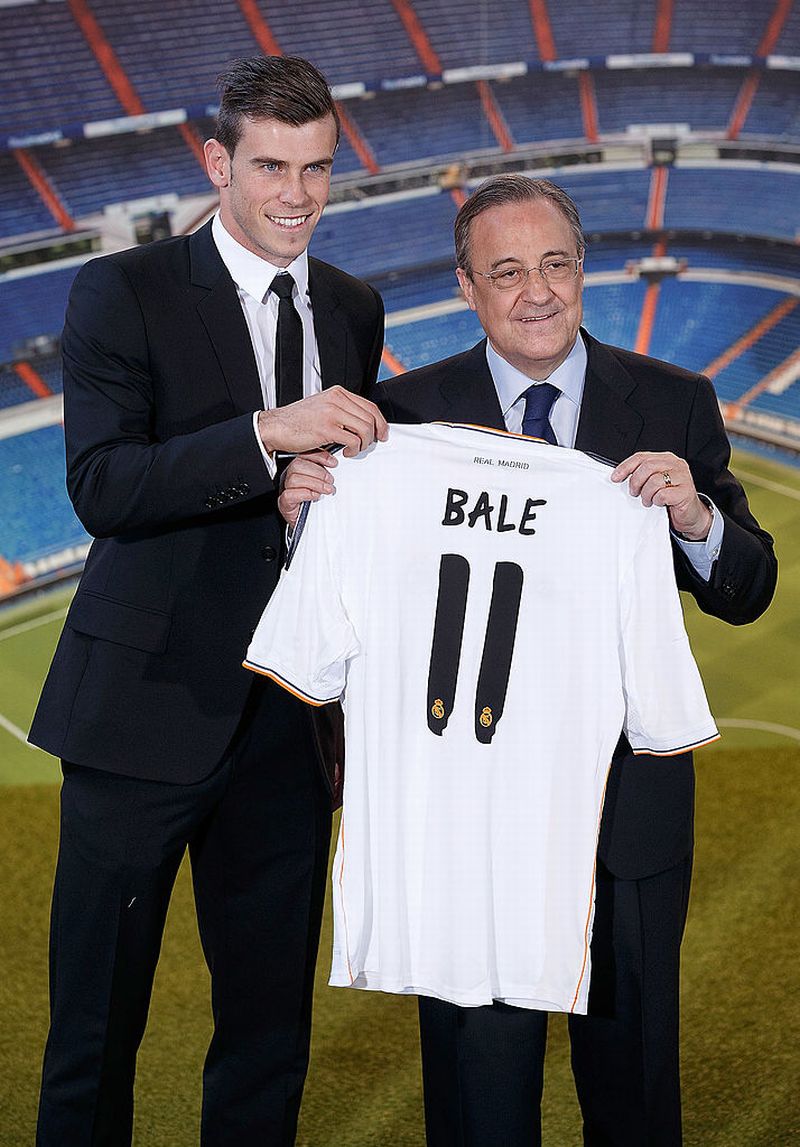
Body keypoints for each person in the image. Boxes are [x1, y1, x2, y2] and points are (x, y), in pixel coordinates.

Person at [279, 174, 777, 1147]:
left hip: (624, 814)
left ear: (584, 270)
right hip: (463, 817)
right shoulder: (400, 419)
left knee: (632, 1085)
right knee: (479, 1093)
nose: (537, 291)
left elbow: (745, 586)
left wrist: (694, 517)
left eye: (555, 264)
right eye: (506, 272)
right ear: (466, 288)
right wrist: (308, 519)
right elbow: (357, 591)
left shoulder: (672, 402)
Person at [28, 55, 386, 1147]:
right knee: (95, 1029)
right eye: (271, 166)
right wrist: (266, 439)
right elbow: (103, 487)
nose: (296, 194)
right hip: (142, 713)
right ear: (217, 163)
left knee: (268, 1031)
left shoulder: (352, 306)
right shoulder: (123, 289)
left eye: (316, 167)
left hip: (290, 720)